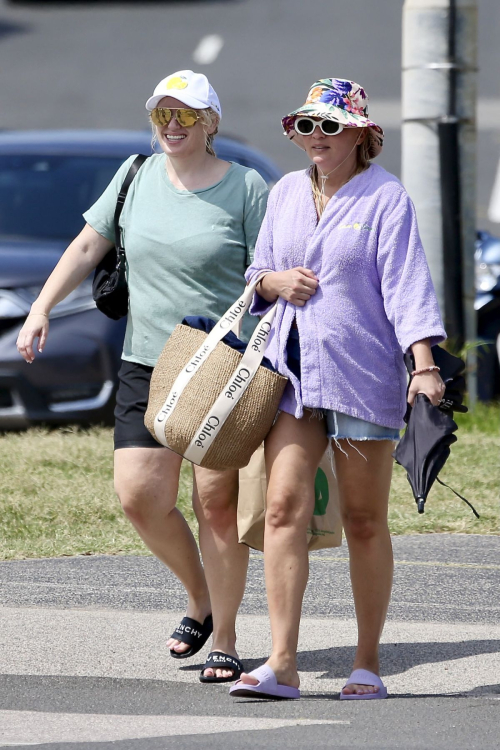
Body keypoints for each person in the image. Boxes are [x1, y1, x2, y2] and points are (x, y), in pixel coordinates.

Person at [16, 70, 269, 684]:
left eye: (186, 115)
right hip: (147, 363)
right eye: (163, 115)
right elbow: (85, 247)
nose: (173, 126)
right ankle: (201, 598)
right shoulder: (134, 176)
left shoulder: (247, 187)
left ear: (210, 121)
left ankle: (227, 640)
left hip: (219, 365)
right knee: (140, 496)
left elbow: (270, 275)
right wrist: (40, 308)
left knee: (215, 504)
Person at [229, 78, 447, 700]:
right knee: (282, 510)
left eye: (329, 127)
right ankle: (282, 662)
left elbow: (407, 288)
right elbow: (256, 271)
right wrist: (272, 280)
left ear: (359, 135)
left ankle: (368, 661)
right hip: (292, 375)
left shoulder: (386, 198)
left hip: (364, 374)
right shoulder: (285, 192)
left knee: (363, 519)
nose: (315, 138)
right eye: (306, 126)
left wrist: (424, 366)